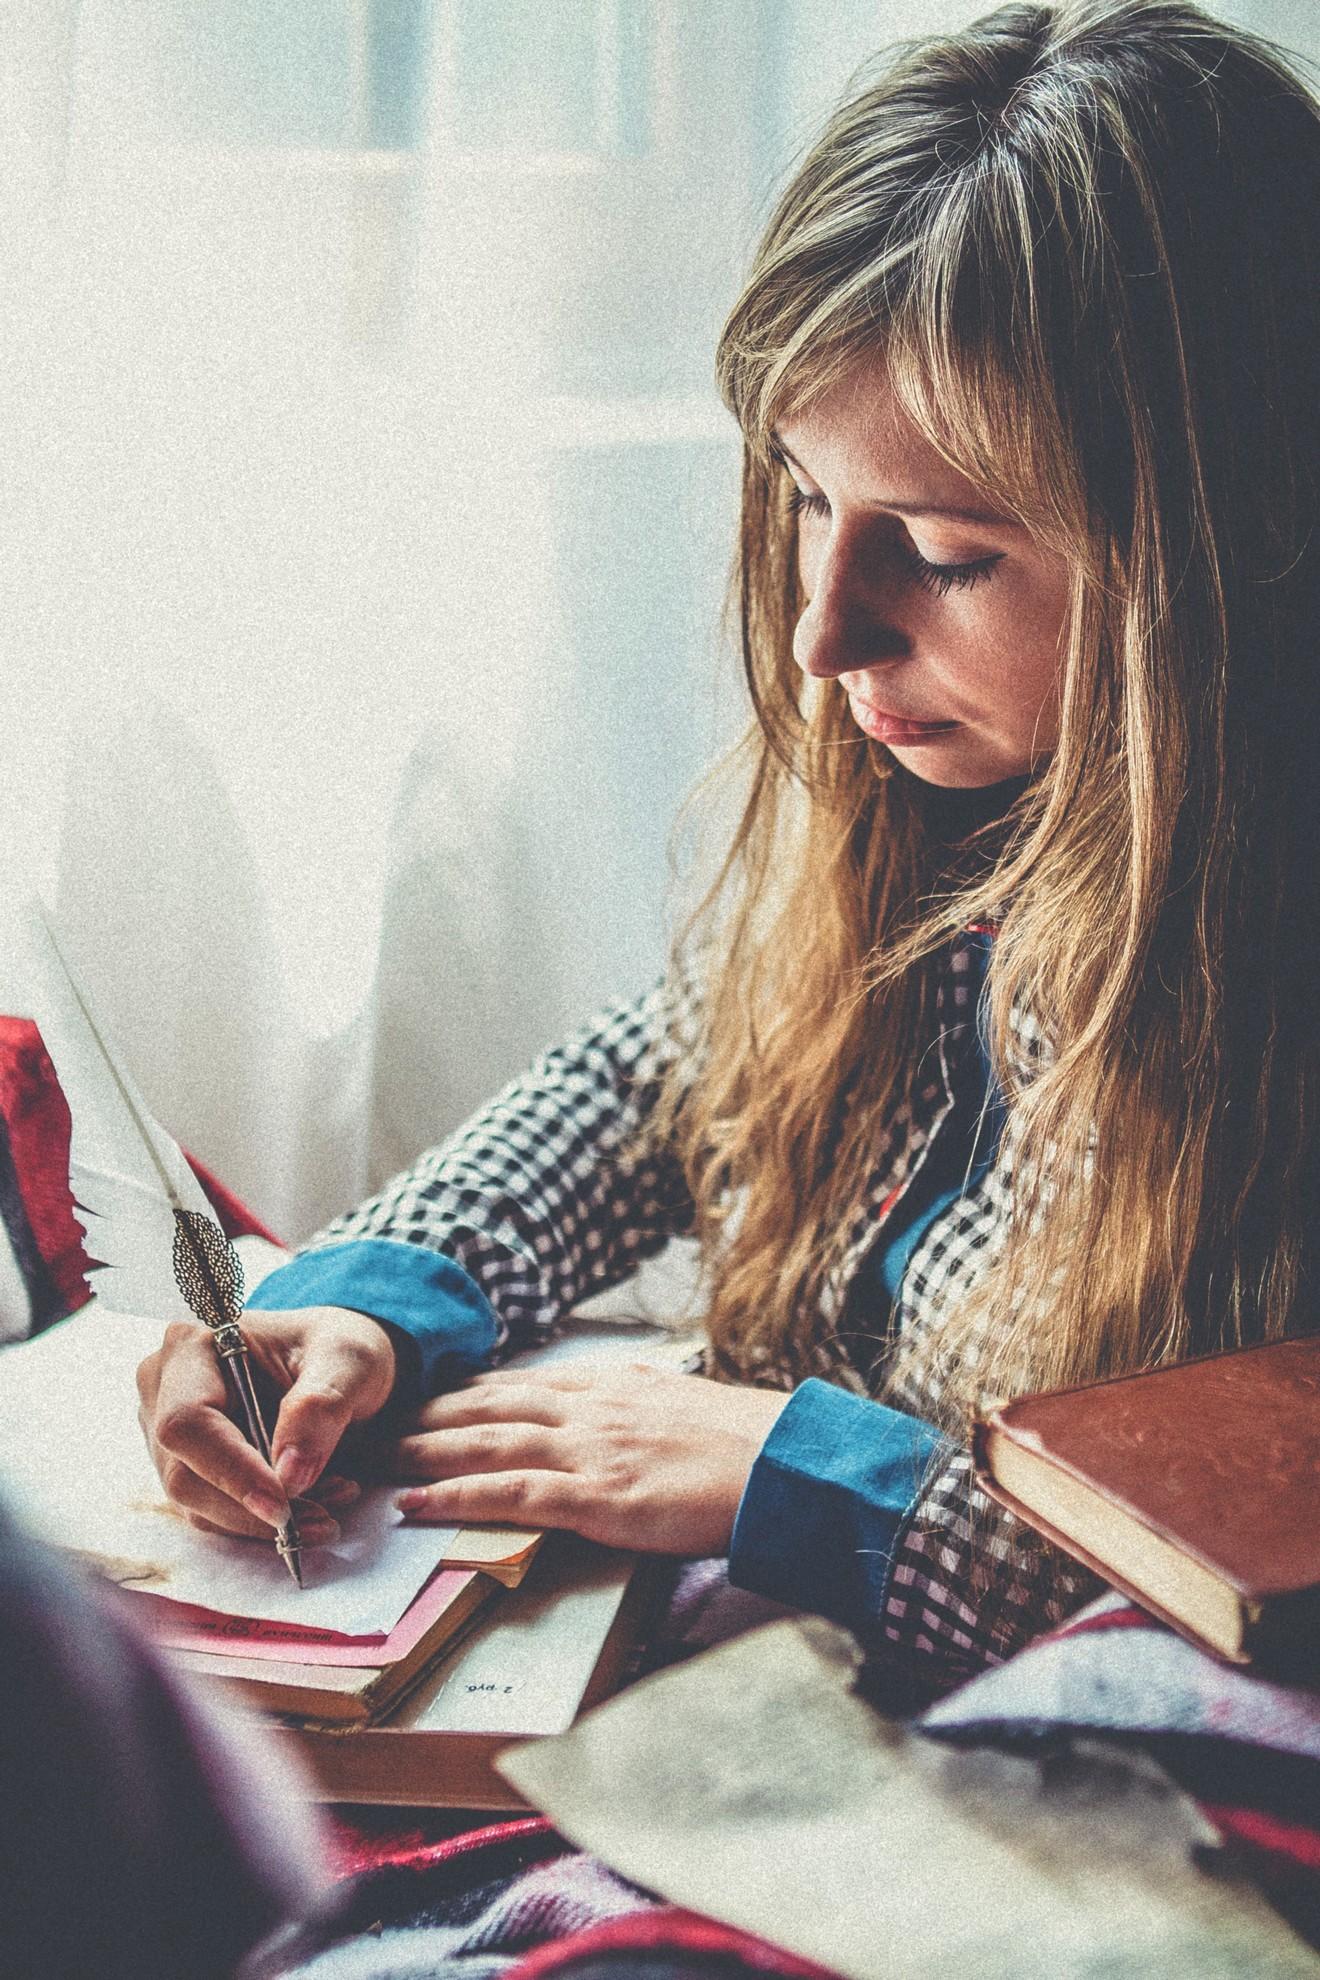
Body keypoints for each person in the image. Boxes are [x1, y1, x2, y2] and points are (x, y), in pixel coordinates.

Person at [137, 0, 1320, 1695]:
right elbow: (675, 1069)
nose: (827, 630)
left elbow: (1249, 1615)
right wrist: (373, 1302)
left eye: (948, 554)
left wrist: (792, 1475)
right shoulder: (946, 804)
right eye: (808, 499)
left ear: (1225, 555)